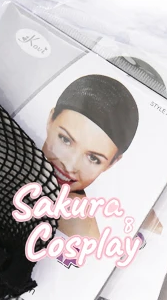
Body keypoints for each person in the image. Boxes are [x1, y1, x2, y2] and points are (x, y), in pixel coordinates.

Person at [42, 74, 139, 239]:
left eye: (93, 159)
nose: (70, 165)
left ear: (112, 163)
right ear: (50, 119)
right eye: (65, 140)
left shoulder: (80, 235)